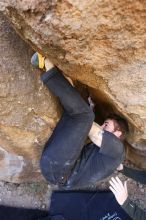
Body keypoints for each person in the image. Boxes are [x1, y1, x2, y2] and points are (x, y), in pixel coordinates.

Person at [31, 52, 129, 190]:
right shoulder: (104, 154)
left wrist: (89, 112)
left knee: (85, 116)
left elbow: (91, 128)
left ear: (118, 133)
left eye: (106, 124)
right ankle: (60, 77)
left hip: (59, 170)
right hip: (55, 165)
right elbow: (79, 122)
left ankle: (48, 66)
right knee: (78, 113)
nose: (102, 126)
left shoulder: (117, 151)